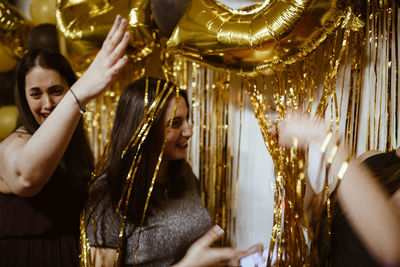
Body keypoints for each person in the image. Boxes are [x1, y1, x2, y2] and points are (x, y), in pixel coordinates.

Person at [85, 77, 260, 266]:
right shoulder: (108, 195)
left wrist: (228, 258)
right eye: (175, 123)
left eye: (187, 119)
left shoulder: (183, 173)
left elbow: (192, 249)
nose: (189, 131)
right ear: (144, 131)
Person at [0, 15, 130, 266]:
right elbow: (27, 178)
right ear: (23, 98)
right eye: (35, 94)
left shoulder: (72, 148)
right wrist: (77, 95)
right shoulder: (13, 143)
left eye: (56, 91)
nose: (47, 104)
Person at [276, 114, 400, 266]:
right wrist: (293, 156)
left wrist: (324, 137)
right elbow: (310, 214)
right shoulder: (369, 159)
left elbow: (392, 250)